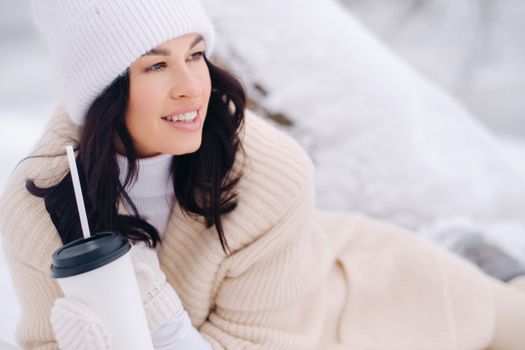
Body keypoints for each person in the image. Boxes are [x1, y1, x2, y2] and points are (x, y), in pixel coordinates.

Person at [0, 0, 524, 349]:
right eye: (156, 66)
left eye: (196, 55)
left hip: (375, 305)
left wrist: (149, 304)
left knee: (508, 319)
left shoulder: (269, 173)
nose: (191, 86)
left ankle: (475, 250)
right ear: (104, 90)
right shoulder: (37, 208)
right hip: (309, 270)